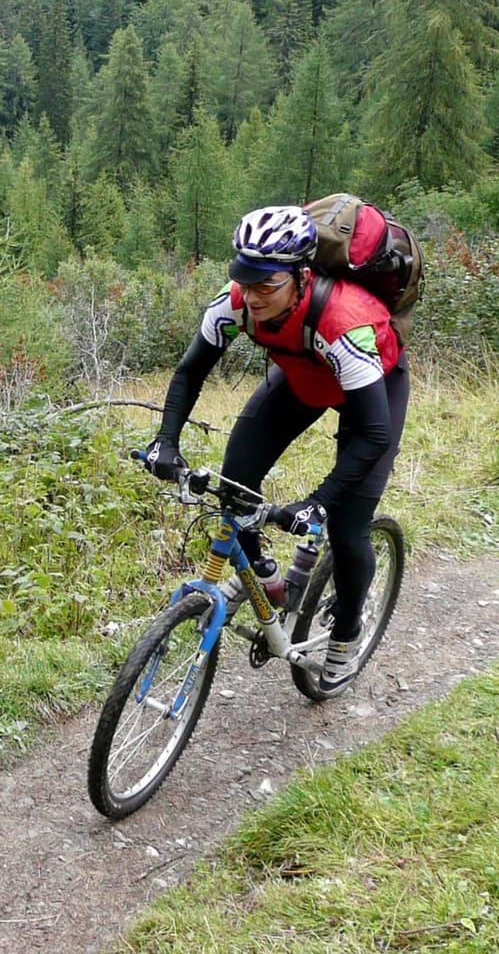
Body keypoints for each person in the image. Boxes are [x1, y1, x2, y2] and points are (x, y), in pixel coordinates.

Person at [143, 203, 410, 695]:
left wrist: (318, 502)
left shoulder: (344, 321)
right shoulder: (237, 302)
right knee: (235, 479)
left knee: (349, 528)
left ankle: (347, 636)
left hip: (371, 396)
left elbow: (373, 434)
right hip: (303, 380)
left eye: (268, 285)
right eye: (246, 281)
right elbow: (189, 372)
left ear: (302, 277)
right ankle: (266, 579)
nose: (253, 296)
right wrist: (166, 440)